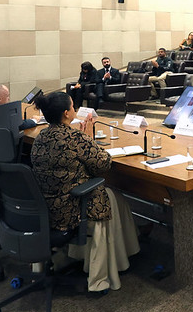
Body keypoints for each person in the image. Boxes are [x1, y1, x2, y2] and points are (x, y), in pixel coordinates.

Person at [30, 92, 140, 293]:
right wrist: (89, 139)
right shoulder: (74, 137)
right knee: (114, 198)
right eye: (73, 107)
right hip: (71, 208)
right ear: (66, 113)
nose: (74, 110)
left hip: (45, 207)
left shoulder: (41, 137)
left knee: (114, 197)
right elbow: (103, 163)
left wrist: (86, 140)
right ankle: (119, 260)